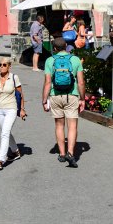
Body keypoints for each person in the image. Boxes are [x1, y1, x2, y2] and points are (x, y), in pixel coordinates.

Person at [41, 40, 84, 168]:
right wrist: (82, 99)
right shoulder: (75, 59)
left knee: (59, 125)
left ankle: (61, 153)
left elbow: (48, 82)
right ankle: (70, 153)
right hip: (72, 95)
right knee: (72, 126)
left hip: (55, 95)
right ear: (66, 47)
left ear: (54, 48)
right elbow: (81, 82)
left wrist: (44, 100)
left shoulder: (50, 61)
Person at [0, 56, 26, 170]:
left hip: (11, 108)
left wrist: (22, 109)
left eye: (4, 65)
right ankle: (15, 151)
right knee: (5, 132)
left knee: (4, 133)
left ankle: (1, 159)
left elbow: (21, 95)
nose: (1, 67)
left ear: (9, 66)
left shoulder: (14, 77)